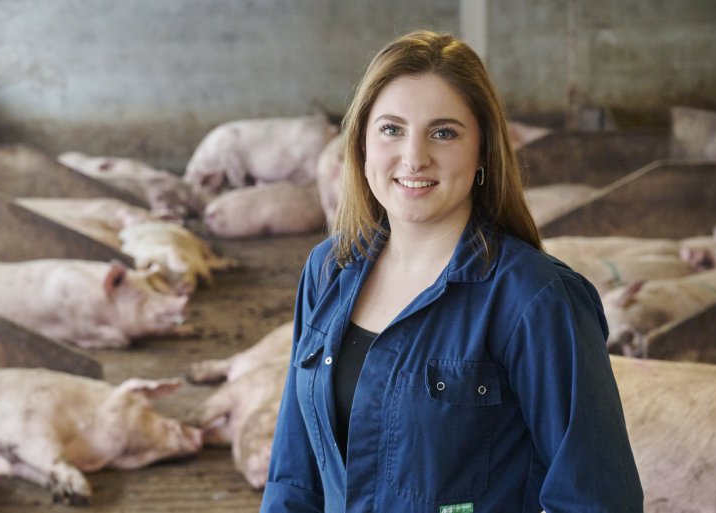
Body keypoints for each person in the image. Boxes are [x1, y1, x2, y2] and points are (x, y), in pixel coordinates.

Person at [260, 30, 643, 513]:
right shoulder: (329, 270)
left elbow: (598, 501)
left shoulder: (536, 300)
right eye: (391, 129)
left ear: (482, 151)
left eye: (444, 132)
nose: (414, 157)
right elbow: (295, 477)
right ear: (360, 144)